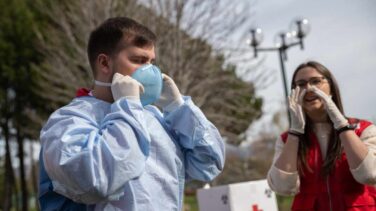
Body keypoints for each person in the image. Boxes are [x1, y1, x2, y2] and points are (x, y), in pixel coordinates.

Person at [38, 17, 225, 210]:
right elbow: (96, 181)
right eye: (138, 60)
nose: (150, 70)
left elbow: (208, 165)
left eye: (152, 62)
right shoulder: (68, 122)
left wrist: (179, 109)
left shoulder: (154, 118)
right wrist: (127, 106)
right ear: (104, 63)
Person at [267, 61, 376, 210]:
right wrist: (295, 132)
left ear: (331, 86)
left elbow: (370, 174)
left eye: (316, 81)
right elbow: (282, 187)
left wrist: (342, 126)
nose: (309, 89)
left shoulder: (363, 129)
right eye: (301, 84)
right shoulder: (286, 140)